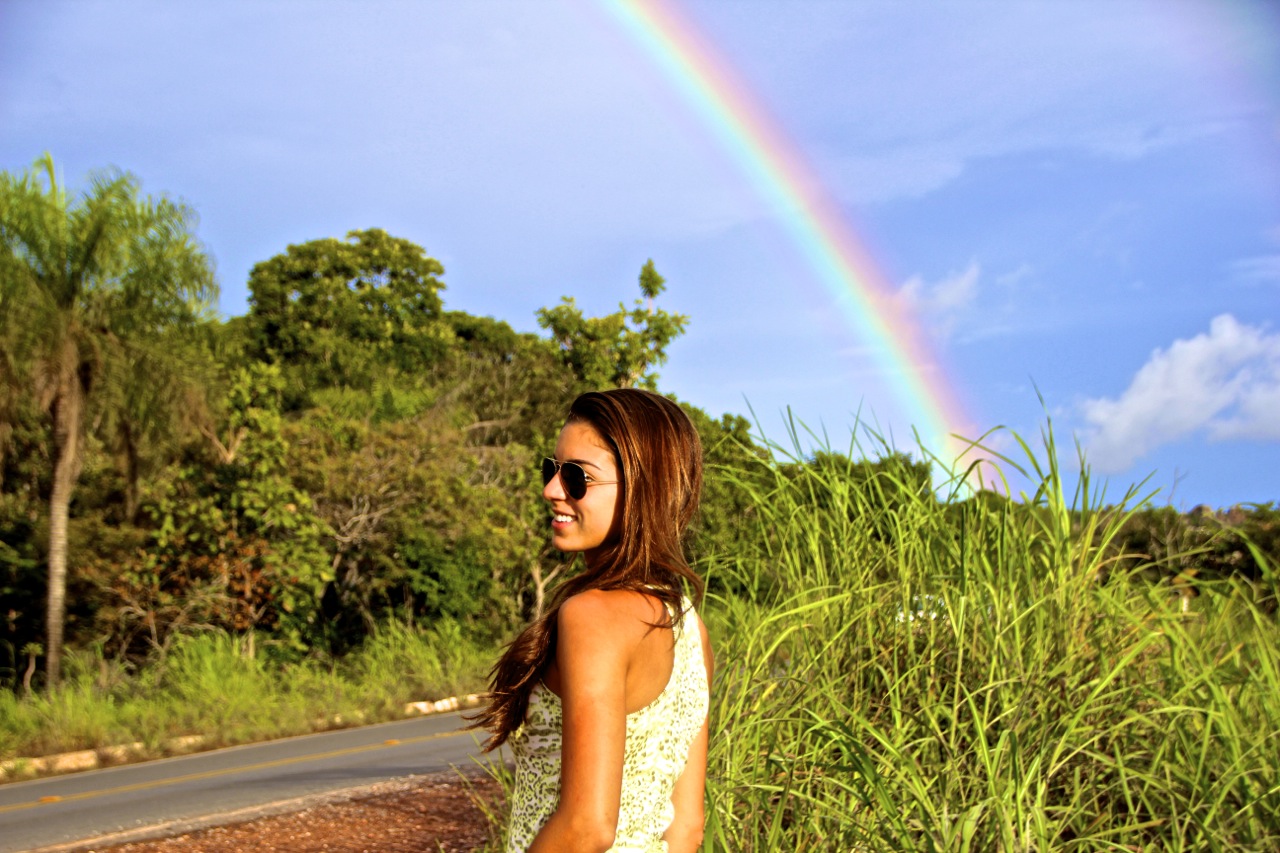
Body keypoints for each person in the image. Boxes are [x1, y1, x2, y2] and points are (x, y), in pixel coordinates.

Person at [470, 388, 714, 853]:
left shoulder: (590, 618)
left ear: (646, 488)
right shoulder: (688, 628)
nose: (551, 490)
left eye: (577, 477)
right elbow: (686, 828)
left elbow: (587, 828)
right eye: (552, 469)